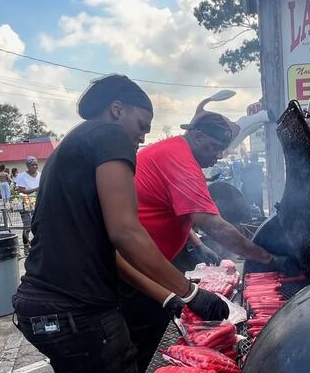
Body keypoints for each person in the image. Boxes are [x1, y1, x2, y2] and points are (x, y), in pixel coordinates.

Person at [12, 74, 229, 373]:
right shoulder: (108, 135)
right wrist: (191, 293)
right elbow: (125, 232)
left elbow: (111, 251)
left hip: (41, 305)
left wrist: (168, 298)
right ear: (117, 109)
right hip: (75, 309)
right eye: (141, 126)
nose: (141, 138)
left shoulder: (75, 143)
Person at [127, 109, 298, 370]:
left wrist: (198, 244)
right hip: (133, 267)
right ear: (196, 136)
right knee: (142, 339)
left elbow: (174, 211)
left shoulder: (175, 152)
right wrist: (268, 258)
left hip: (146, 262)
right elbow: (214, 224)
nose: (219, 156)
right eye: (215, 148)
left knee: (150, 329)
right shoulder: (180, 160)